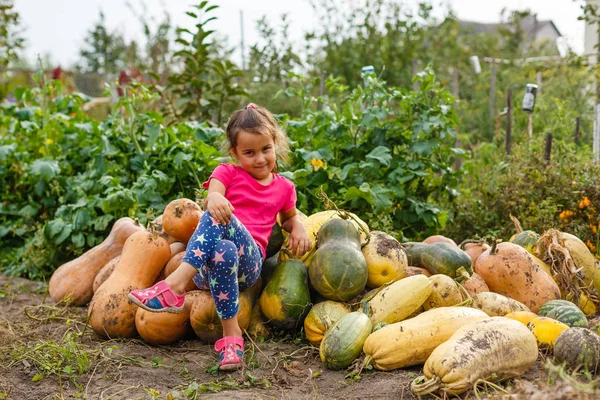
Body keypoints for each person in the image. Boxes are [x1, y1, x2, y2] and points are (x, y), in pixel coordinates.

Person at [128, 103, 312, 370]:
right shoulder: (226, 173)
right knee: (221, 239)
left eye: (266, 150)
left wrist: (298, 228)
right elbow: (213, 196)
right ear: (234, 153)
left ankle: (176, 286)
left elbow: (290, 218)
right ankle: (231, 338)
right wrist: (214, 197)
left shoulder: (284, 187)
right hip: (206, 270)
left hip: (248, 266)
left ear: (275, 144)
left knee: (223, 224)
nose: (260, 159)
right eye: (249, 153)